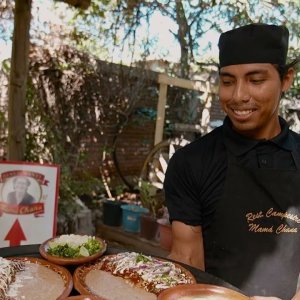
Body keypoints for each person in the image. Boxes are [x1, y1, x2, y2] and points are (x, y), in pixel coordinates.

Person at [164, 23, 300, 300]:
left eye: (256, 80)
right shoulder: (191, 163)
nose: (238, 96)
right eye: (227, 82)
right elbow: (187, 259)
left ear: (286, 79)